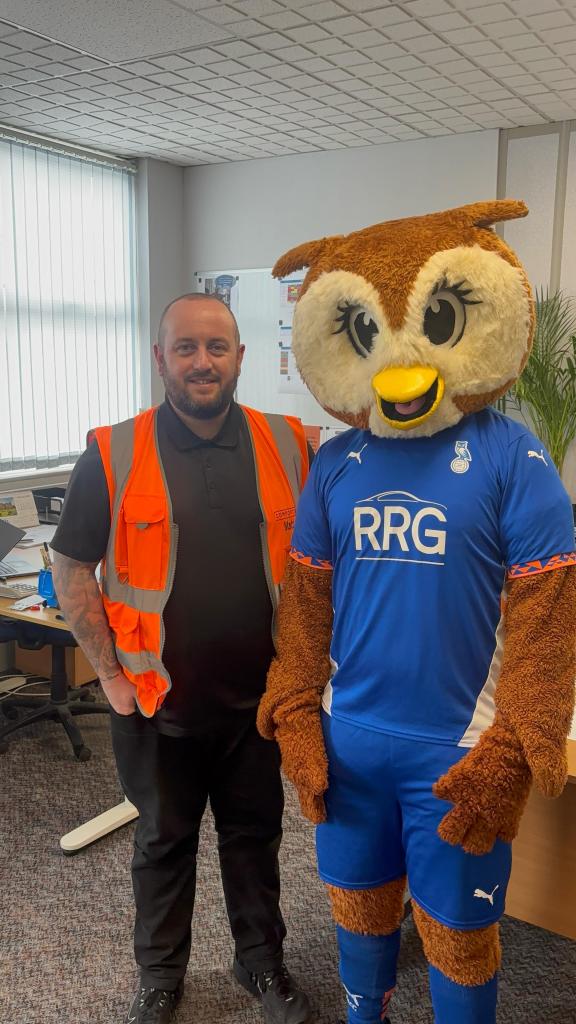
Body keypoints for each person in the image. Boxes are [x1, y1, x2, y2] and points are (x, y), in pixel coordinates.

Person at [51, 293, 313, 1024]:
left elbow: (317, 563)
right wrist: (108, 675)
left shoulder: (290, 444)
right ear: (160, 358)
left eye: (217, 347)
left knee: (255, 840)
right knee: (163, 844)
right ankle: (160, 977)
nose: (203, 361)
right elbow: (72, 567)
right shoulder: (113, 451)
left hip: (258, 702)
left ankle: (260, 963)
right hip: (156, 701)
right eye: (186, 347)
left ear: (240, 357)